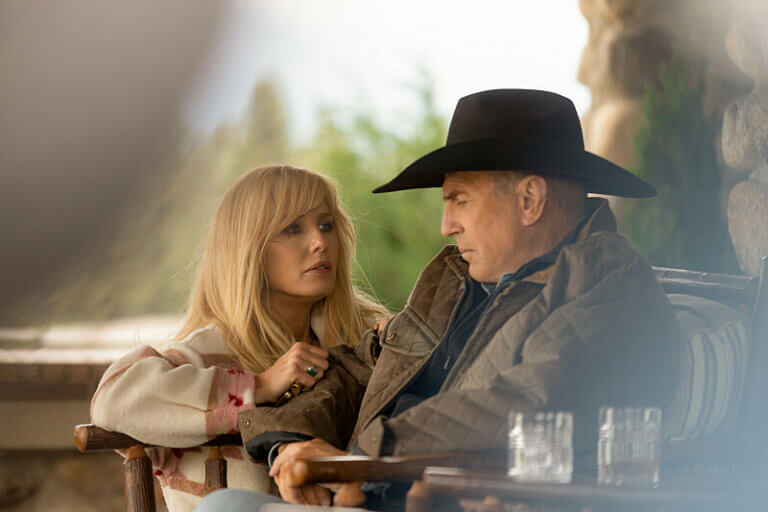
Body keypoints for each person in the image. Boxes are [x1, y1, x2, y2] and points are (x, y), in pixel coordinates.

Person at [197, 89, 681, 511]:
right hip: (370, 495)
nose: (446, 225)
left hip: (451, 501)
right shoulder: (455, 278)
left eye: (460, 199)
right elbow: (356, 368)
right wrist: (289, 443)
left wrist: (360, 460)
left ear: (530, 199)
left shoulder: (604, 289)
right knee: (223, 505)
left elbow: (525, 403)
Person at [90, 165, 388, 511]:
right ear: (247, 248)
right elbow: (111, 399)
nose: (319, 242)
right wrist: (255, 388)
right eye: (292, 228)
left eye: (326, 225)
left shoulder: (364, 340)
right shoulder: (203, 357)